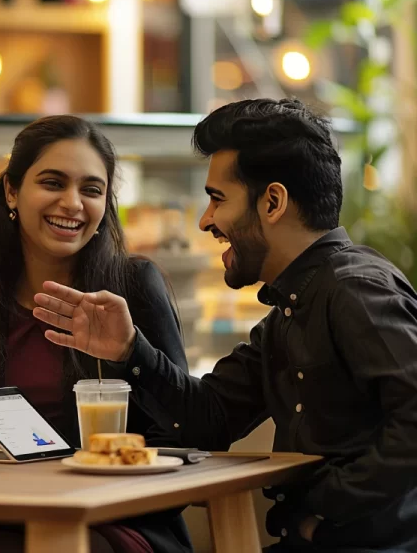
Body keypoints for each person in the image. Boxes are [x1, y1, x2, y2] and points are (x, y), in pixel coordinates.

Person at [33, 98, 417, 552]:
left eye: (218, 199)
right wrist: (130, 350)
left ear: (272, 202)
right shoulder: (291, 311)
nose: (205, 220)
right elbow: (209, 419)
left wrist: (323, 508)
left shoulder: (355, 290)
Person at [0, 115, 192, 553]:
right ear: (12, 191)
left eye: (91, 189)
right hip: (3, 514)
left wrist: (130, 351)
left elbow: (182, 428)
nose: (72, 203)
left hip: (119, 520)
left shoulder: (134, 286)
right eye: (53, 183)